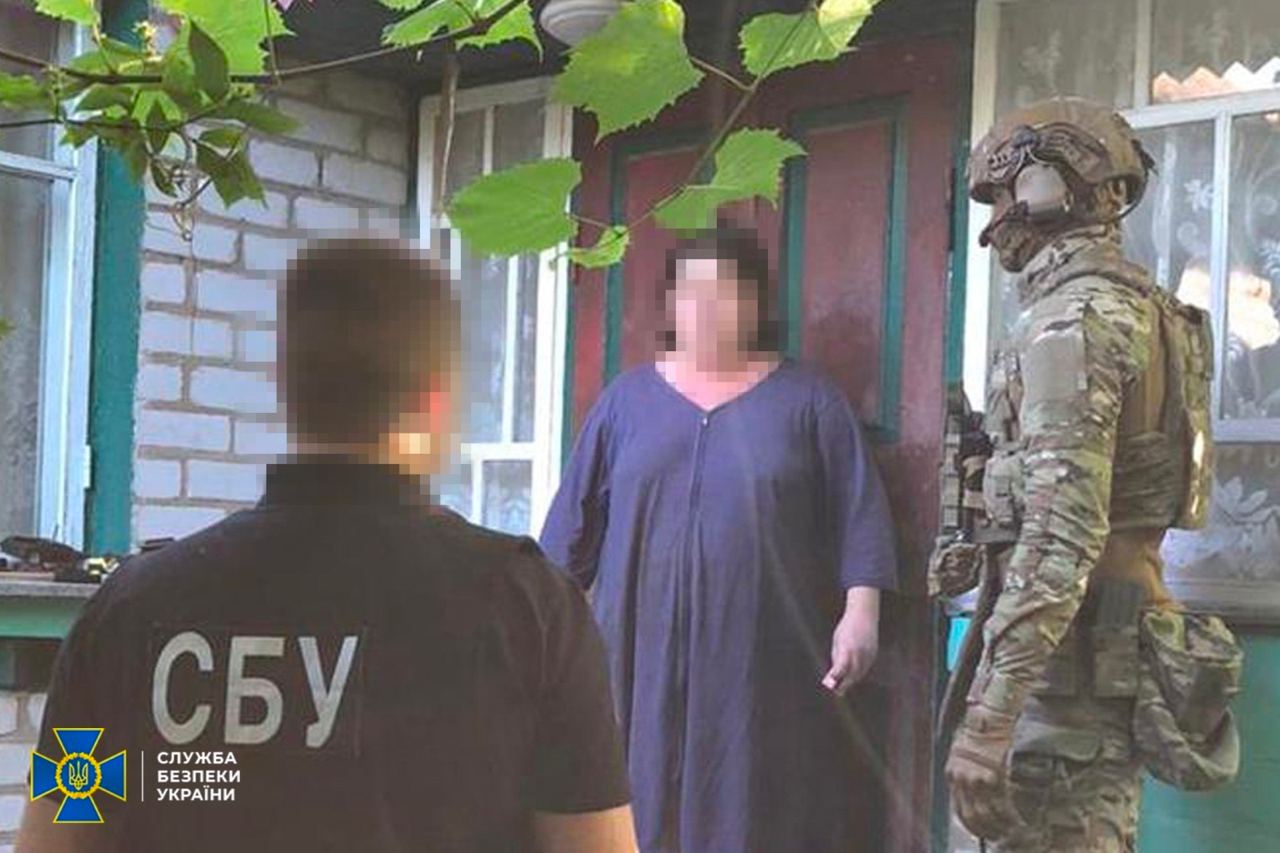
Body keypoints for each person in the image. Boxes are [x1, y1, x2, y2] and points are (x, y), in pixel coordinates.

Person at [16, 237, 636, 853]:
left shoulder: (126, 612)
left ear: (286, 387)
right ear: (436, 398)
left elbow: (54, 837)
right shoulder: (529, 610)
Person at [939, 97, 1241, 852]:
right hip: (1086, 671)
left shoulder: (1072, 322)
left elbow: (1061, 537)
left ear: (1049, 189)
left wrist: (991, 715)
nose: (995, 221)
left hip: (1061, 690)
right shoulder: (1140, 310)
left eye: (1003, 194)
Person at [539, 228, 898, 853]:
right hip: (637, 660)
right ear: (671, 306)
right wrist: (540, 643)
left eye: (725, 293)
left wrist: (861, 615)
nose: (706, 309)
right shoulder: (626, 404)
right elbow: (567, 537)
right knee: (634, 808)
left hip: (760, 662)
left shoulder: (808, 401)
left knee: (752, 810)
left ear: (755, 305)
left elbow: (858, 513)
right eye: (691, 294)